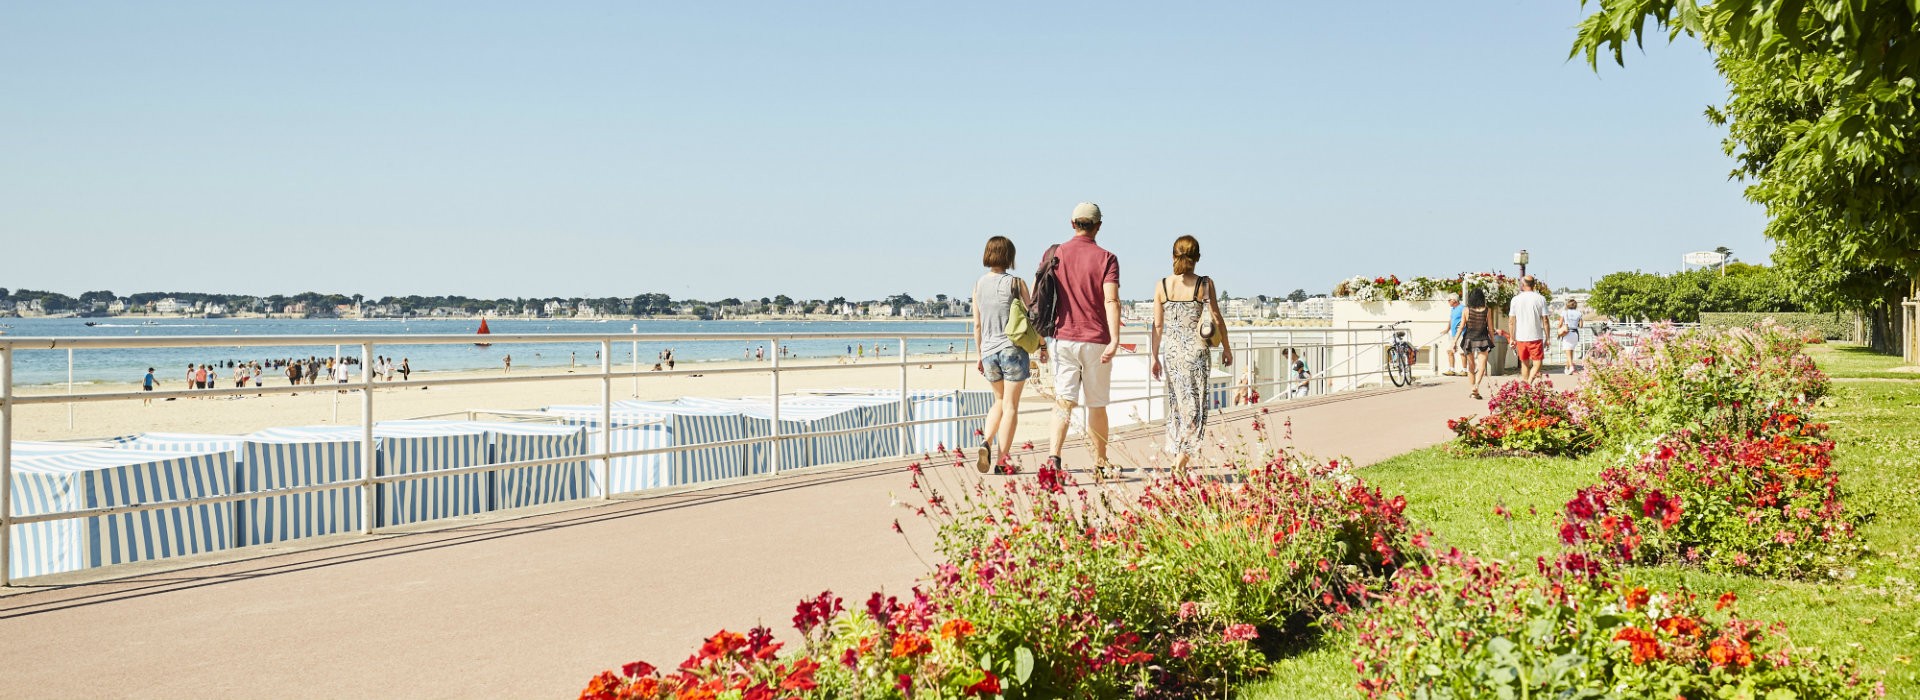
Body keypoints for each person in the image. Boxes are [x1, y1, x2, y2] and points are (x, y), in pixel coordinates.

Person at [1042, 202, 1122, 479]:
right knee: (1096, 404)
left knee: (1063, 400)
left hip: (1063, 337)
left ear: (1072, 223)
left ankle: (1054, 457)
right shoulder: (1107, 258)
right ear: (1098, 225)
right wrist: (1115, 339)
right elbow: (1111, 299)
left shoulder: (1056, 254)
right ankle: (1100, 461)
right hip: (1096, 339)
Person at [1150, 235, 1232, 474]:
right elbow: (1216, 317)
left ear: (1173, 255)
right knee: (1195, 406)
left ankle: (1179, 456)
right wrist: (1226, 347)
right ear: (1197, 257)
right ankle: (1182, 459)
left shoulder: (1162, 285)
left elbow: (1157, 325)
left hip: (1173, 354)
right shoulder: (1204, 284)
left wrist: (1154, 356)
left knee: (1177, 406)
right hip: (1196, 353)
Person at [972, 235, 1036, 474]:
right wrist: (1041, 344)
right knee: (1010, 406)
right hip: (1012, 349)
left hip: (988, 352)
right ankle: (1002, 462)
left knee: (998, 401)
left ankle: (986, 441)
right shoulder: (1016, 283)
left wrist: (979, 355)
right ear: (1010, 256)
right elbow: (1032, 316)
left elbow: (977, 325)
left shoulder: (978, 284)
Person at [1507, 276, 1550, 383]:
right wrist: (1548, 337)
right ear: (1534, 285)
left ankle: (1526, 385)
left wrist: (1512, 338)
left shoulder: (1515, 300)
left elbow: (1511, 321)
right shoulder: (1540, 299)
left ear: (1523, 285)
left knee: (1524, 363)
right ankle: (1529, 382)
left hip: (1521, 337)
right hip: (1535, 336)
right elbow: (1545, 320)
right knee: (1538, 362)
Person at [1455, 288, 1496, 399]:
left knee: (1471, 366)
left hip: (1469, 340)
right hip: (1483, 340)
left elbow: (1461, 327)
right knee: (1482, 365)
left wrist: (1454, 342)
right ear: (1482, 298)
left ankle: (1474, 391)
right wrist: (1492, 339)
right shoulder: (1487, 310)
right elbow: (1490, 328)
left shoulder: (1466, 310)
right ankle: (1476, 386)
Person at [1556, 298, 1585, 375]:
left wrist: (1559, 332)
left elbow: (1560, 324)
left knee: (1567, 352)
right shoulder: (1579, 313)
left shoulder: (1564, 312)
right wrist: (1575, 324)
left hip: (1567, 333)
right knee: (1570, 352)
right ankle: (1567, 368)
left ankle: (1571, 367)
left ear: (1568, 305)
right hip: (1575, 334)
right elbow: (1581, 325)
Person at [1444, 293, 1465, 376]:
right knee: (1450, 351)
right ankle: (1451, 370)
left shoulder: (1462, 308)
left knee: (1462, 352)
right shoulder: (1453, 309)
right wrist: (1447, 329)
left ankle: (1465, 370)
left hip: (1461, 334)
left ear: (1454, 300)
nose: (1448, 302)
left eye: (1449, 300)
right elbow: (1451, 319)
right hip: (1453, 334)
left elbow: (1467, 318)